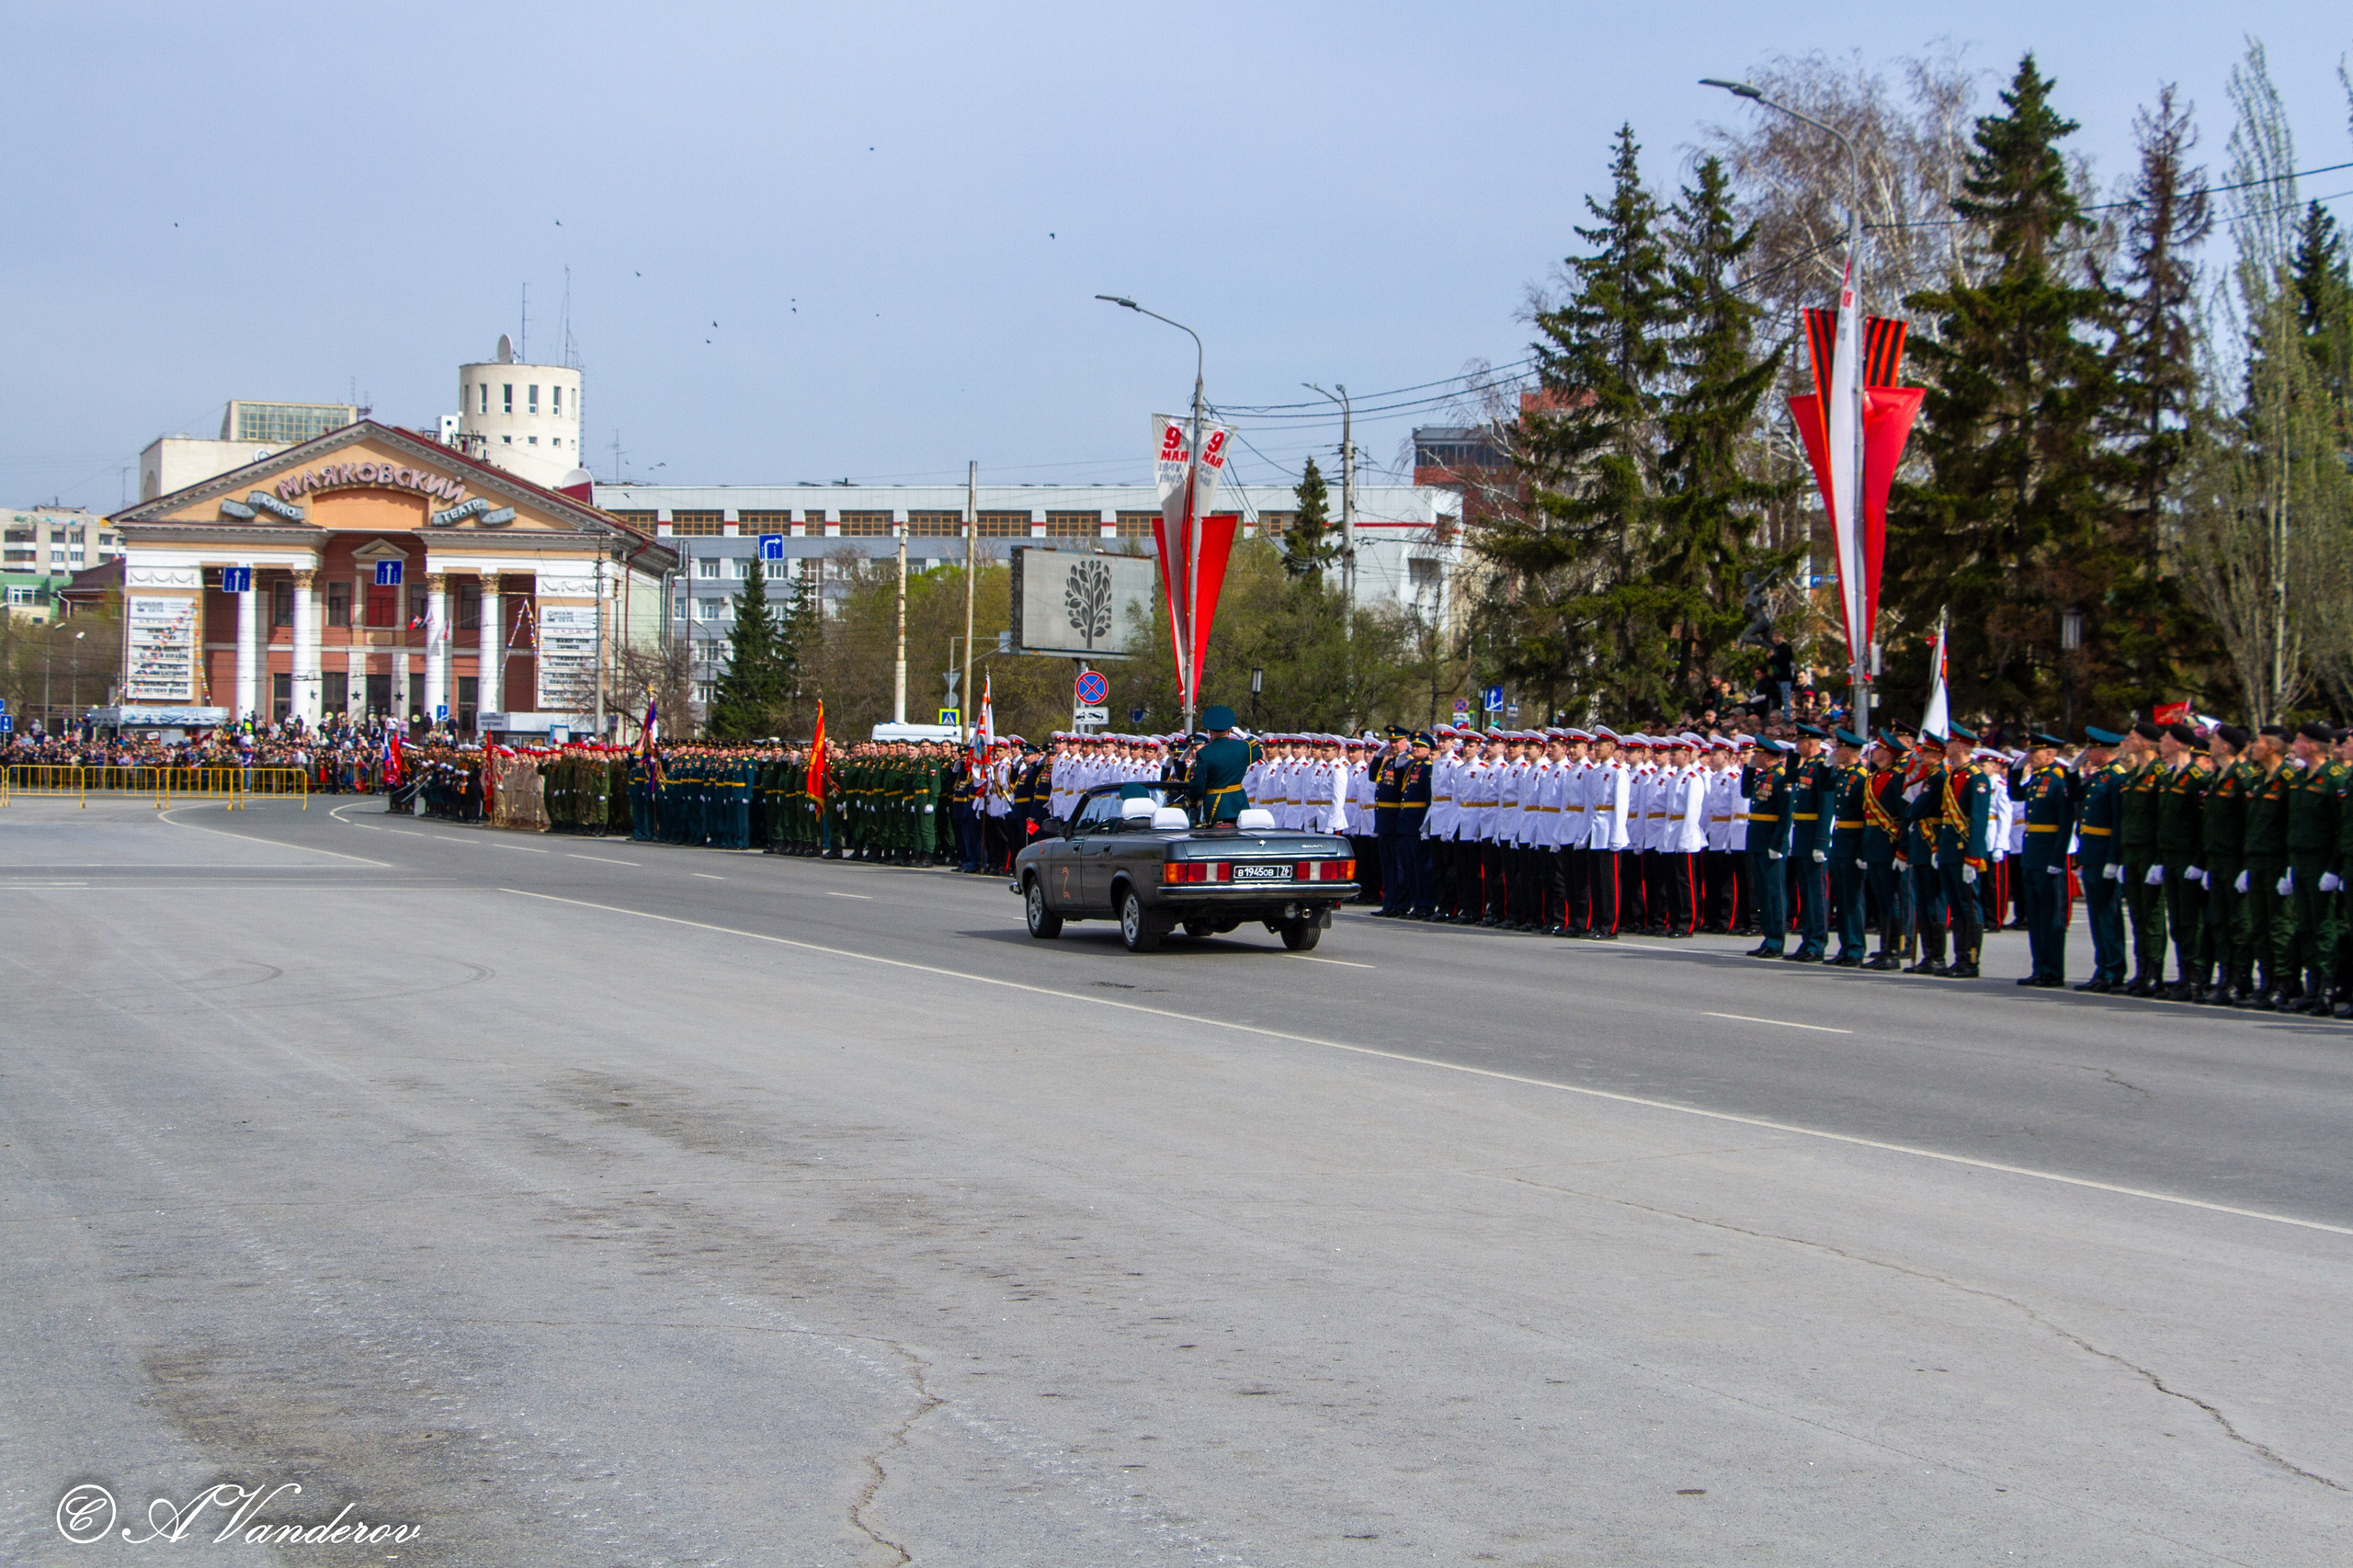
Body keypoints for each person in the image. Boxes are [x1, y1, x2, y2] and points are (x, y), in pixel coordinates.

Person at [2014, 732, 2076, 987]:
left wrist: (2058, 858)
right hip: (2032, 854)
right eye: (2029, 752)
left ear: (2050, 753)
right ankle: (2039, 967)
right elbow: (2016, 795)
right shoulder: (2037, 778)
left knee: (2051, 917)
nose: (2030, 756)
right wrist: (2016, 770)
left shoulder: (2059, 779)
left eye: (2035, 752)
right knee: (2036, 916)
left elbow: (2066, 823)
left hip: (2049, 855)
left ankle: (2053, 971)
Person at [1187, 705, 1259, 825]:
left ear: (1210, 732)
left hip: (1216, 805)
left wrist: (1192, 800)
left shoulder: (1204, 753)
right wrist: (1245, 736)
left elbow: (1198, 784)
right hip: (1239, 802)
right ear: (1229, 730)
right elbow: (1257, 751)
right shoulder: (1242, 747)